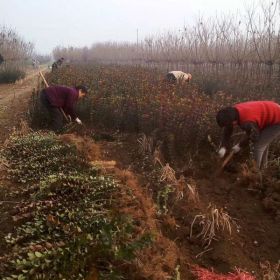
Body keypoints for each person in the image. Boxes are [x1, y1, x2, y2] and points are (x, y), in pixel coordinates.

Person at [216, 101, 280, 169]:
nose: (228, 126)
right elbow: (228, 130)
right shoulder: (231, 113)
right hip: (270, 112)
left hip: (277, 119)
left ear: (233, 122)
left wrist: (240, 145)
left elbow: (254, 136)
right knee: (263, 143)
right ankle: (264, 169)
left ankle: (255, 171)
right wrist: (223, 147)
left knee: (258, 146)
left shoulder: (246, 122)